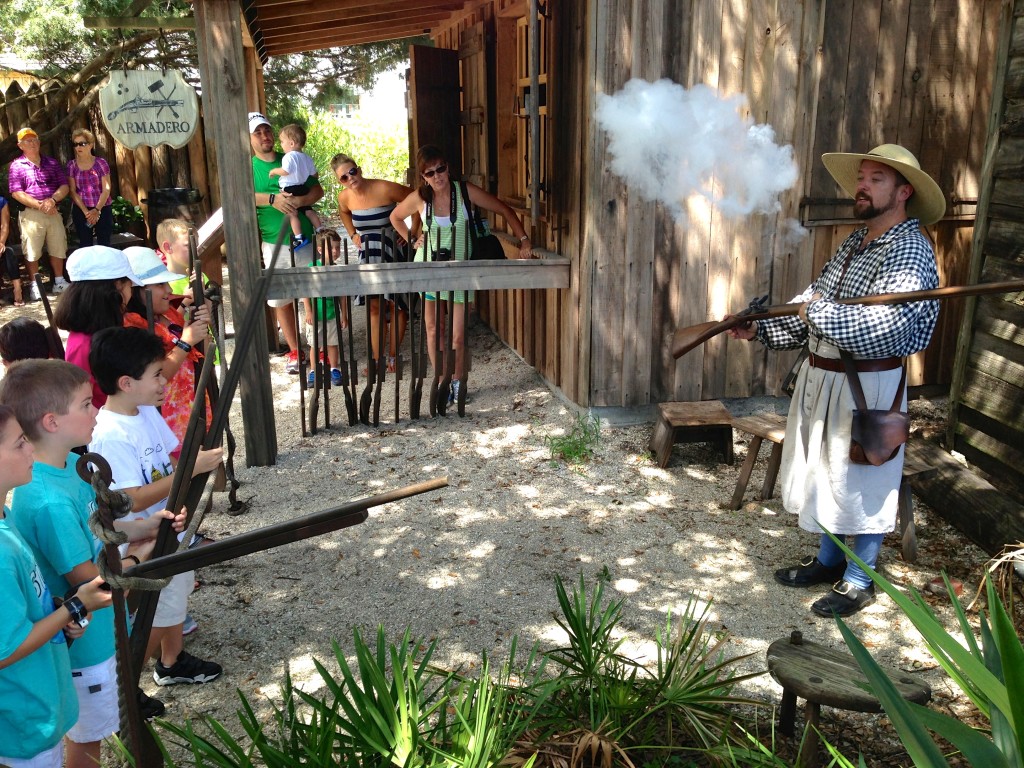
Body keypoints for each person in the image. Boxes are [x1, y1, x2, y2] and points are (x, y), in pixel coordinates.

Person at [727, 144, 944, 617]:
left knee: (864, 477)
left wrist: (819, 311)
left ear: (904, 191)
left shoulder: (910, 250)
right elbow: (810, 308)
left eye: (876, 179)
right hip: (823, 379)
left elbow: (889, 331)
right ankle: (829, 561)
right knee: (827, 473)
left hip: (867, 385)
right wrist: (761, 327)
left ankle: (859, 579)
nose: (862, 186)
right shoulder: (855, 241)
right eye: (861, 178)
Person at [0, 360, 185, 766]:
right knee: (88, 744)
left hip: (88, 638)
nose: (96, 411)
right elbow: (94, 582)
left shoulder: (67, 467)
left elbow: (98, 524)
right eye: (86, 404)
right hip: (83, 651)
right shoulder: (45, 499)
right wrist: (143, 552)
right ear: (52, 421)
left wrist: (141, 527)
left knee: (95, 733)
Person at [87, 326, 223, 686]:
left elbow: (169, 460)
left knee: (177, 592)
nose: (165, 381)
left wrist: (188, 473)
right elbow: (129, 497)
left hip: (168, 526)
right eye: (156, 375)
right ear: (126, 382)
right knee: (158, 611)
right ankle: (127, 686)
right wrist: (192, 470)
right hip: (144, 540)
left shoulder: (144, 410)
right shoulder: (111, 433)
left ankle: (172, 660)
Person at [0, 402, 113, 768]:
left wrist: (58, 612)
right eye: (18, 443)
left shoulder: (5, 515)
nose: (30, 448)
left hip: (41, 695)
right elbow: (6, 649)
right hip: (22, 712)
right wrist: (75, 606)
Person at [390, 145, 534, 405]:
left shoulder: (464, 192)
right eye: (430, 173)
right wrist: (413, 239)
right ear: (423, 177)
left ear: (448, 167)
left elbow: (503, 209)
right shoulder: (421, 197)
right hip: (430, 269)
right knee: (433, 328)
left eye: (441, 169)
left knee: (458, 333)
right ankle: (441, 381)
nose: (437, 177)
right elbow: (395, 217)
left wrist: (523, 240)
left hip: (461, 271)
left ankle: (457, 381)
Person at [250, 111, 324, 374]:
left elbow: (317, 189)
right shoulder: (250, 167)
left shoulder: (291, 156)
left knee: (313, 292)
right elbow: (240, 195)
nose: (264, 136)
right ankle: (296, 351)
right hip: (273, 241)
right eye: (258, 132)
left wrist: (300, 202)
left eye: (267, 130)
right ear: (250, 138)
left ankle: (319, 348)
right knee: (282, 299)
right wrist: (272, 200)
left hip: (302, 237)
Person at [123, 246, 213, 451]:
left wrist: (201, 329)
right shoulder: (131, 326)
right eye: (161, 284)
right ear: (138, 289)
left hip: (190, 406)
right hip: (164, 414)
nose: (170, 291)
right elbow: (158, 373)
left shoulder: (168, 315)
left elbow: (204, 355)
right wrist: (186, 341)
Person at [333, 154, 416, 373]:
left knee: (396, 303)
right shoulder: (344, 198)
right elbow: (343, 212)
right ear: (339, 181)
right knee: (374, 305)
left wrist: (412, 232)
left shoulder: (383, 187)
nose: (350, 178)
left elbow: (417, 199)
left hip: (392, 249)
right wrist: (352, 234)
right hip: (368, 254)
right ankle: (377, 359)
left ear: (359, 169)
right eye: (343, 177)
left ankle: (392, 357)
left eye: (352, 171)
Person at [54, 245, 143, 407]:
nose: (132, 292)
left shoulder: (103, 330)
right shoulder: (84, 345)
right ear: (118, 286)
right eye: (130, 285)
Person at [7, 127, 71, 300]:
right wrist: (39, 204)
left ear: (39, 141)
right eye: (27, 140)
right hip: (31, 214)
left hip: (53, 210)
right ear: (20, 145)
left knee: (58, 246)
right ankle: (36, 286)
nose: (32, 143)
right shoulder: (16, 166)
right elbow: (16, 192)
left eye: (34, 139)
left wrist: (53, 200)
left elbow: (64, 186)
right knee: (32, 250)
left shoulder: (51, 163)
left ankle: (59, 281)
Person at [268, 123, 323, 249]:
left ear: (291, 143)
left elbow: (285, 171)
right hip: (302, 188)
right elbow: (315, 175)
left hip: (290, 188)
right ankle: (320, 229)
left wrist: (274, 171)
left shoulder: (289, 156)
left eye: (282, 142)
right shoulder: (307, 158)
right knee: (309, 211)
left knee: (292, 213)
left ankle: (299, 237)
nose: (281, 145)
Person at [301, 231, 345, 388]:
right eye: (331, 248)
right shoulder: (312, 268)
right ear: (320, 250)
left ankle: (334, 368)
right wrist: (308, 311)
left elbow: (342, 295)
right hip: (315, 314)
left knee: (333, 343)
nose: (335, 251)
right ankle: (313, 370)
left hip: (332, 313)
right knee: (314, 344)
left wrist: (344, 315)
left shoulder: (338, 270)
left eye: (338, 248)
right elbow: (305, 291)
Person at [65, 129, 113, 248]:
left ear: (91, 145)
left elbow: (106, 189)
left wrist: (96, 210)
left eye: (82, 143)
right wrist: (87, 213)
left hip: (102, 207)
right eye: (75, 144)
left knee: (104, 243)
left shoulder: (101, 163)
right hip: (82, 210)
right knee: (85, 244)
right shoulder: (72, 165)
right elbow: (72, 191)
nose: (78, 147)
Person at [0, 192, 22, 306]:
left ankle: (17, 290)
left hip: (1, 240)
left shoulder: (1, 201)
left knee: (9, 252)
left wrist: (1, 242)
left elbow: (5, 225)